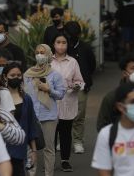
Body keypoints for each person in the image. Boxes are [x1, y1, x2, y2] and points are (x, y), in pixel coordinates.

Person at [24, 44, 66, 176]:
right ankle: (31, 173)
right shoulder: (28, 74)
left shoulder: (55, 75)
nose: (39, 55)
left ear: (48, 55)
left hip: (48, 116)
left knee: (48, 148)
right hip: (32, 116)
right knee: (30, 149)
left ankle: (49, 174)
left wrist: (49, 90)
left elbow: (61, 94)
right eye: (37, 52)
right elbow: (24, 94)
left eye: (42, 52)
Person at [51, 33, 85, 172]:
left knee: (65, 133)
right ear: (53, 44)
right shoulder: (47, 61)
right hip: (51, 103)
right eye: (58, 42)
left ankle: (65, 160)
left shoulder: (72, 62)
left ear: (67, 44)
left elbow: (80, 81)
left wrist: (76, 86)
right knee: (51, 134)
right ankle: (50, 160)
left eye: (64, 42)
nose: (61, 45)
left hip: (67, 101)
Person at [64, 21, 96, 154]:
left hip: (81, 87)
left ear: (78, 34)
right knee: (63, 115)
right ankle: (63, 141)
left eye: (73, 35)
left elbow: (92, 65)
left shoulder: (86, 48)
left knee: (79, 115)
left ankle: (77, 141)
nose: (71, 38)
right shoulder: (61, 48)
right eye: (68, 35)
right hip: (64, 87)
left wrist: (86, 80)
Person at [1, 63, 38, 176]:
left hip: (20, 149)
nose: (16, 78)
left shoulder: (26, 99)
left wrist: (34, 151)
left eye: (18, 75)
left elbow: (31, 126)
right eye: (12, 75)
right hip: (2, 148)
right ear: (5, 77)